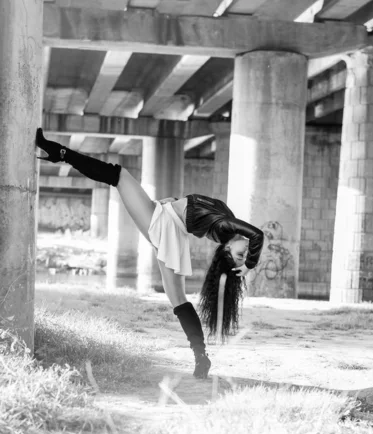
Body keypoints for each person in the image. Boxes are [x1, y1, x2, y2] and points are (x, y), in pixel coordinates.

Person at [36, 128, 264, 379]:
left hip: (165, 224)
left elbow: (257, 235)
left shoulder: (225, 228)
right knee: (177, 298)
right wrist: (174, 200)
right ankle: (201, 356)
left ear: (228, 249)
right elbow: (196, 207)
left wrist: (249, 264)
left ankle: (61, 153)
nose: (246, 253)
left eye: (240, 256)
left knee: (119, 175)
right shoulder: (225, 222)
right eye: (245, 255)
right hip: (170, 224)